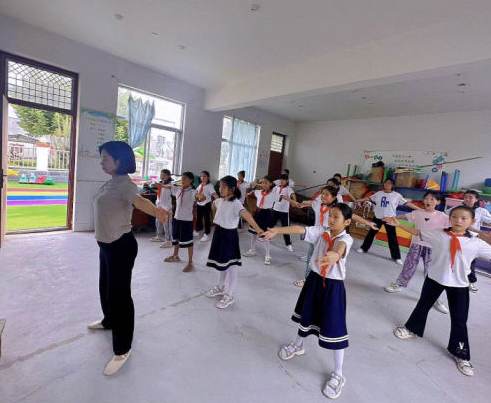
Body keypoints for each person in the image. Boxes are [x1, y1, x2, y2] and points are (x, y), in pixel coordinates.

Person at [90, 141, 170, 376]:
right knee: (105, 287)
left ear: (119, 161)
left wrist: (158, 212)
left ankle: (123, 348)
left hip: (120, 247)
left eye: (105, 158)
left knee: (120, 297)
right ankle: (109, 321)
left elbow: (140, 201)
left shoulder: (125, 185)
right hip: (105, 245)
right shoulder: (110, 182)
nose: (102, 162)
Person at [386, 205, 491, 377]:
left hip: (459, 284)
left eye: (463, 218)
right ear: (449, 219)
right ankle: (411, 329)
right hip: (434, 278)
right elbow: (418, 232)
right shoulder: (438, 234)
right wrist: (399, 224)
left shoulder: (476, 243)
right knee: (422, 306)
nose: (458, 220)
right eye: (454, 216)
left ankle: (460, 353)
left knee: (459, 319)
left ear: (472, 222)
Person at [264, 203, 354, 399]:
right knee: (306, 315)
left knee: (335, 328)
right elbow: (300, 229)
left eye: (336, 217)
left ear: (347, 222)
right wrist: (278, 230)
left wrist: (335, 255)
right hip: (314, 281)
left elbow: (341, 248)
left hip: (333, 287)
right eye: (330, 215)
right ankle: (298, 345)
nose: (331, 219)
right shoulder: (322, 231)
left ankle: (338, 373)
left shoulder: (346, 238)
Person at [290, 186, 378, 287]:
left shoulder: (337, 209)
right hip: (316, 235)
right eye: (322, 194)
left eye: (326, 194)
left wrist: (368, 223)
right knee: (311, 259)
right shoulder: (318, 204)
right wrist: (301, 204)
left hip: (330, 237)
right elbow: (309, 203)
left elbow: (352, 216)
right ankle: (307, 280)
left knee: (329, 260)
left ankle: (325, 281)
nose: (323, 196)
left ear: (334, 197)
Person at [384, 192, 450, 314]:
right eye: (426, 198)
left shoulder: (443, 216)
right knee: (409, 266)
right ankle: (399, 285)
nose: (428, 201)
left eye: (432, 199)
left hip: (433, 247)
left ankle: (435, 298)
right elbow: (405, 216)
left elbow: (452, 228)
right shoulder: (417, 212)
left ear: (438, 202)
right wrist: (394, 218)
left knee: (432, 272)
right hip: (417, 244)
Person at [205, 176, 263, 309]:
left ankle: (230, 295)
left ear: (232, 189)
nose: (220, 189)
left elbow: (247, 215)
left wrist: (258, 229)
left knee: (231, 266)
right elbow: (214, 205)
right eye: (220, 186)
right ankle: (220, 287)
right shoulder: (220, 200)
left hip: (229, 236)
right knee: (222, 263)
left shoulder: (236, 203)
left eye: (224, 187)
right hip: (219, 234)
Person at [356, 178, 421, 265]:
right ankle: (363, 248)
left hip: (390, 219)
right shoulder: (378, 193)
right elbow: (369, 198)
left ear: (392, 185)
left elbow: (407, 203)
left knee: (392, 238)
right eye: (386, 183)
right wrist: (359, 200)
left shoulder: (397, 195)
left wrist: (419, 209)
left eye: (389, 183)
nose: (387, 184)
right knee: (371, 234)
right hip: (378, 217)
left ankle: (396, 257)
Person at [163, 172, 199, 272]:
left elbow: (198, 196)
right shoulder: (178, 189)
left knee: (189, 242)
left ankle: (190, 262)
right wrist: (160, 185)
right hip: (177, 218)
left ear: (190, 180)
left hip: (186, 221)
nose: (182, 180)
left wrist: (201, 197)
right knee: (176, 238)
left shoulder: (192, 192)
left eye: (185, 178)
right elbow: (168, 187)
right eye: (182, 178)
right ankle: (175, 256)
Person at [461, 190, 491, 293]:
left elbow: (490, 220)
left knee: (471, 261)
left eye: (471, 197)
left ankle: (470, 281)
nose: (467, 199)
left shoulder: (481, 211)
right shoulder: (459, 208)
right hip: (458, 237)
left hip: (472, 239)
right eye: (466, 197)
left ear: (476, 199)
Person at [243, 176, 276, 265]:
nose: (264, 184)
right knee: (253, 233)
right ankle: (252, 250)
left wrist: (293, 202)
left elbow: (282, 197)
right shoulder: (258, 192)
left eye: (266, 183)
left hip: (267, 214)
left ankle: (267, 255)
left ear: (271, 184)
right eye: (263, 182)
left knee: (265, 235)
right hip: (258, 213)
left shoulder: (273, 194)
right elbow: (252, 192)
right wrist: (250, 193)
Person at [271, 174, 296, 252]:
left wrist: (294, 201)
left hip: (284, 211)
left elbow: (293, 195)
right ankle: (267, 236)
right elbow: (271, 195)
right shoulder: (276, 187)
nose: (281, 181)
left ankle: (288, 244)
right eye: (281, 179)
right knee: (270, 224)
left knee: (285, 229)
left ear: (287, 181)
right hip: (275, 209)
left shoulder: (288, 189)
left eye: (283, 180)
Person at [150, 169, 173, 248]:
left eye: (164, 175)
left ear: (169, 176)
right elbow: (153, 185)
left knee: (166, 225)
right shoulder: (161, 183)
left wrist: (160, 185)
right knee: (158, 222)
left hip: (166, 208)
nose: (162, 176)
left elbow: (168, 187)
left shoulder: (171, 184)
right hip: (159, 206)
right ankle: (159, 236)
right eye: (161, 175)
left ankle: (169, 241)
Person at [194, 170, 218, 242]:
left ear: (208, 177)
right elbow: (196, 192)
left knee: (207, 219)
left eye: (204, 176)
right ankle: (198, 229)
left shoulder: (209, 186)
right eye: (201, 176)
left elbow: (214, 194)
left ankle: (207, 233)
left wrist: (219, 202)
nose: (202, 177)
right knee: (199, 217)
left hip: (206, 204)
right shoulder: (201, 184)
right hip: (199, 204)